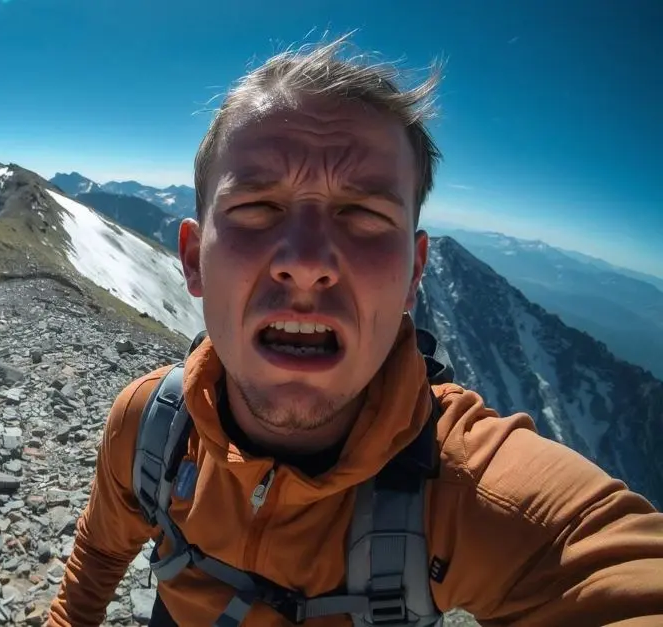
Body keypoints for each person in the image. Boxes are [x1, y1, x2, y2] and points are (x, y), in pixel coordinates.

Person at [47, 34, 663, 627]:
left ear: (414, 273)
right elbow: (99, 555)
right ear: (192, 259)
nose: (309, 261)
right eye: (257, 208)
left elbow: (618, 569)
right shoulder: (149, 425)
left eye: (363, 214)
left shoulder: (466, 488)